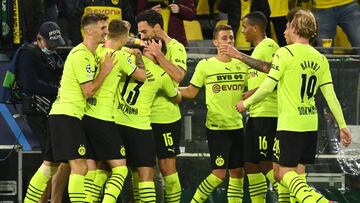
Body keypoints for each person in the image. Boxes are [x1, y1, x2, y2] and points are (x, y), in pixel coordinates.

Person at [234, 9, 352, 203]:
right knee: (298, 178)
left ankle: (321, 202)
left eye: (287, 26)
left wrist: (245, 103)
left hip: (290, 125)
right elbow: (331, 96)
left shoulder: (284, 53)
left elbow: (267, 87)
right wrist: (343, 126)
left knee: (280, 174)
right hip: (309, 124)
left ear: (295, 27)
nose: (284, 31)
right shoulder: (320, 58)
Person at [47, 13, 116, 202]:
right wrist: (104, 71)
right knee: (80, 167)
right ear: (89, 30)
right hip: (67, 115)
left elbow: (118, 41)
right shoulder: (81, 55)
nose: (106, 32)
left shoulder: (91, 53)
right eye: (102, 28)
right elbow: (89, 90)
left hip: (66, 115)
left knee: (49, 167)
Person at [180, 24, 247, 203]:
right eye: (224, 38)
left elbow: (257, 88)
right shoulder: (205, 65)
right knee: (218, 174)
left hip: (238, 126)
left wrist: (250, 96)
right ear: (215, 42)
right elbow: (191, 92)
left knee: (238, 173)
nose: (229, 41)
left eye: (231, 38)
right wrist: (169, 90)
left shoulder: (243, 64)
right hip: (217, 127)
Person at [82, 19, 147, 203]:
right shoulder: (122, 58)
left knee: (92, 169)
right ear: (125, 36)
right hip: (103, 118)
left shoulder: (96, 51)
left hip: (86, 115)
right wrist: (139, 58)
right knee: (120, 169)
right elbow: (142, 77)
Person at [114, 38, 181, 203]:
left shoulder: (126, 59)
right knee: (146, 175)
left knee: (116, 171)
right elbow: (176, 97)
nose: (147, 45)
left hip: (117, 123)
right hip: (140, 127)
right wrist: (178, 92)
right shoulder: (162, 75)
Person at [136, 9, 187, 203]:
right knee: (141, 168)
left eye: (144, 31)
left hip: (166, 117)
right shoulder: (141, 45)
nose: (142, 36)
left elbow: (179, 76)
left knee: (167, 168)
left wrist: (158, 56)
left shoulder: (176, 47)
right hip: (142, 118)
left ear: (157, 28)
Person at [22, 21, 69, 203]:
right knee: (51, 161)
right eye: (50, 44)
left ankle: (53, 200)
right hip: (38, 113)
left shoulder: (54, 55)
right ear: (39, 39)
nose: (54, 48)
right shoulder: (28, 54)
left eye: (56, 44)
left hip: (54, 112)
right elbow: (30, 84)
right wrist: (59, 89)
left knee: (61, 160)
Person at [240, 11, 280, 203]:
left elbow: (277, 75)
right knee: (250, 164)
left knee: (266, 163)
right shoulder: (256, 51)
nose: (242, 31)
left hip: (268, 113)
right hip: (255, 114)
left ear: (255, 28)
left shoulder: (270, 45)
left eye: (244, 27)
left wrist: (253, 92)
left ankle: (290, 196)